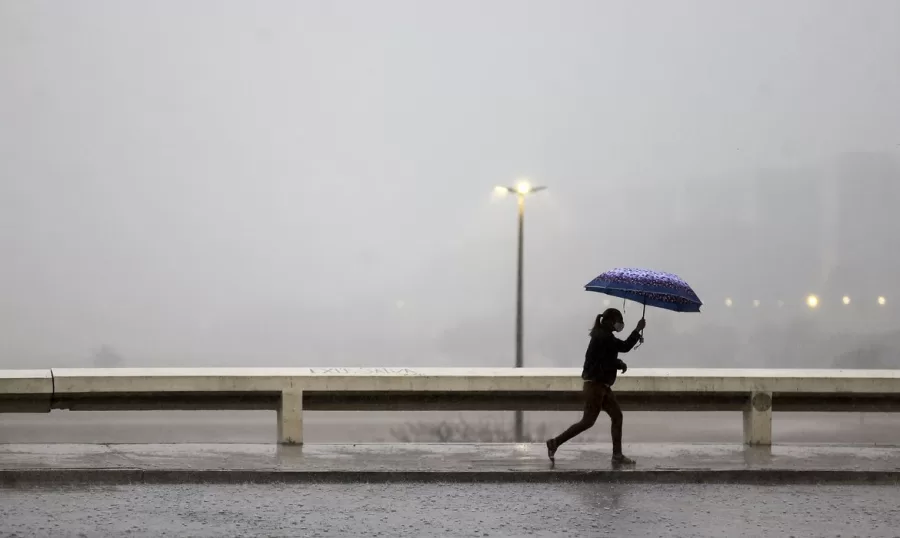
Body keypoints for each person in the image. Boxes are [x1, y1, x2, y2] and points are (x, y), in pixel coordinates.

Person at [546, 307, 646, 465]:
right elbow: (605, 361)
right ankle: (554, 443)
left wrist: (637, 331)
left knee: (616, 416)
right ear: (611, 322)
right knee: (588, 421)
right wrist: (619, 362)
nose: (621, 324)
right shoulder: (602, 337)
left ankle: (617, 455)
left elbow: (623, 347)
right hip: (595, 386)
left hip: (602, 386)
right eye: (619, 321)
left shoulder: (605, 336)